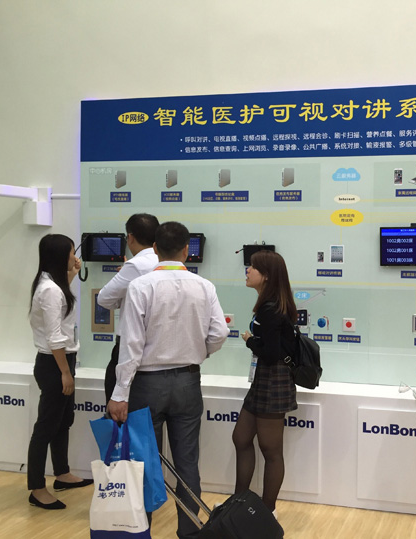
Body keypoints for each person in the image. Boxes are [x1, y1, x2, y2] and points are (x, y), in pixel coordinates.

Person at [107, 221, 228, 539]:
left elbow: (131, 345)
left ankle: (140, 531)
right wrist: (198, 352)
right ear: (187, 250)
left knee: (143, 462)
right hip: (188, 381)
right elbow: (219, 333)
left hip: (146, 384)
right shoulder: (204, 286)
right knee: (187, 463)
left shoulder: (141, 286)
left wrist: (120, 392)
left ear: (155, 249)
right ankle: (189, 532)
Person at [27, 234, 93, 510]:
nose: (74, 256)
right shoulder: (50, 290)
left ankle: (62, 473)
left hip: (61, 361)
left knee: (63, 420)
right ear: (59, 256)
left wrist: (72, 274)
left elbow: (60, 307)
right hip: (55, 363)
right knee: (46, 426)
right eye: (70, 253)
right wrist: (65, 372)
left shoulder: (52, 284)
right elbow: (54, 337)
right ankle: (36, 488)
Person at [234, 250, 298, 518]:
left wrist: (250, 341)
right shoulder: (270, 304)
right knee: (241, 437)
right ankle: (238, 506)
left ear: (267, 276)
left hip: (274, 379)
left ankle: (266, 512)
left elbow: (271, 353)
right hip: (265, 378)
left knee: (271, 450)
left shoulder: (271, 308)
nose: (247, 271)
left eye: (253, 267)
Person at [97, 213, 159, 402]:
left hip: (129, 350)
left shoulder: (134, 265)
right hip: (159, 353)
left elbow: (104, 299)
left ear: (130, 237)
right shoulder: (165, 262)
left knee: (120, 410)